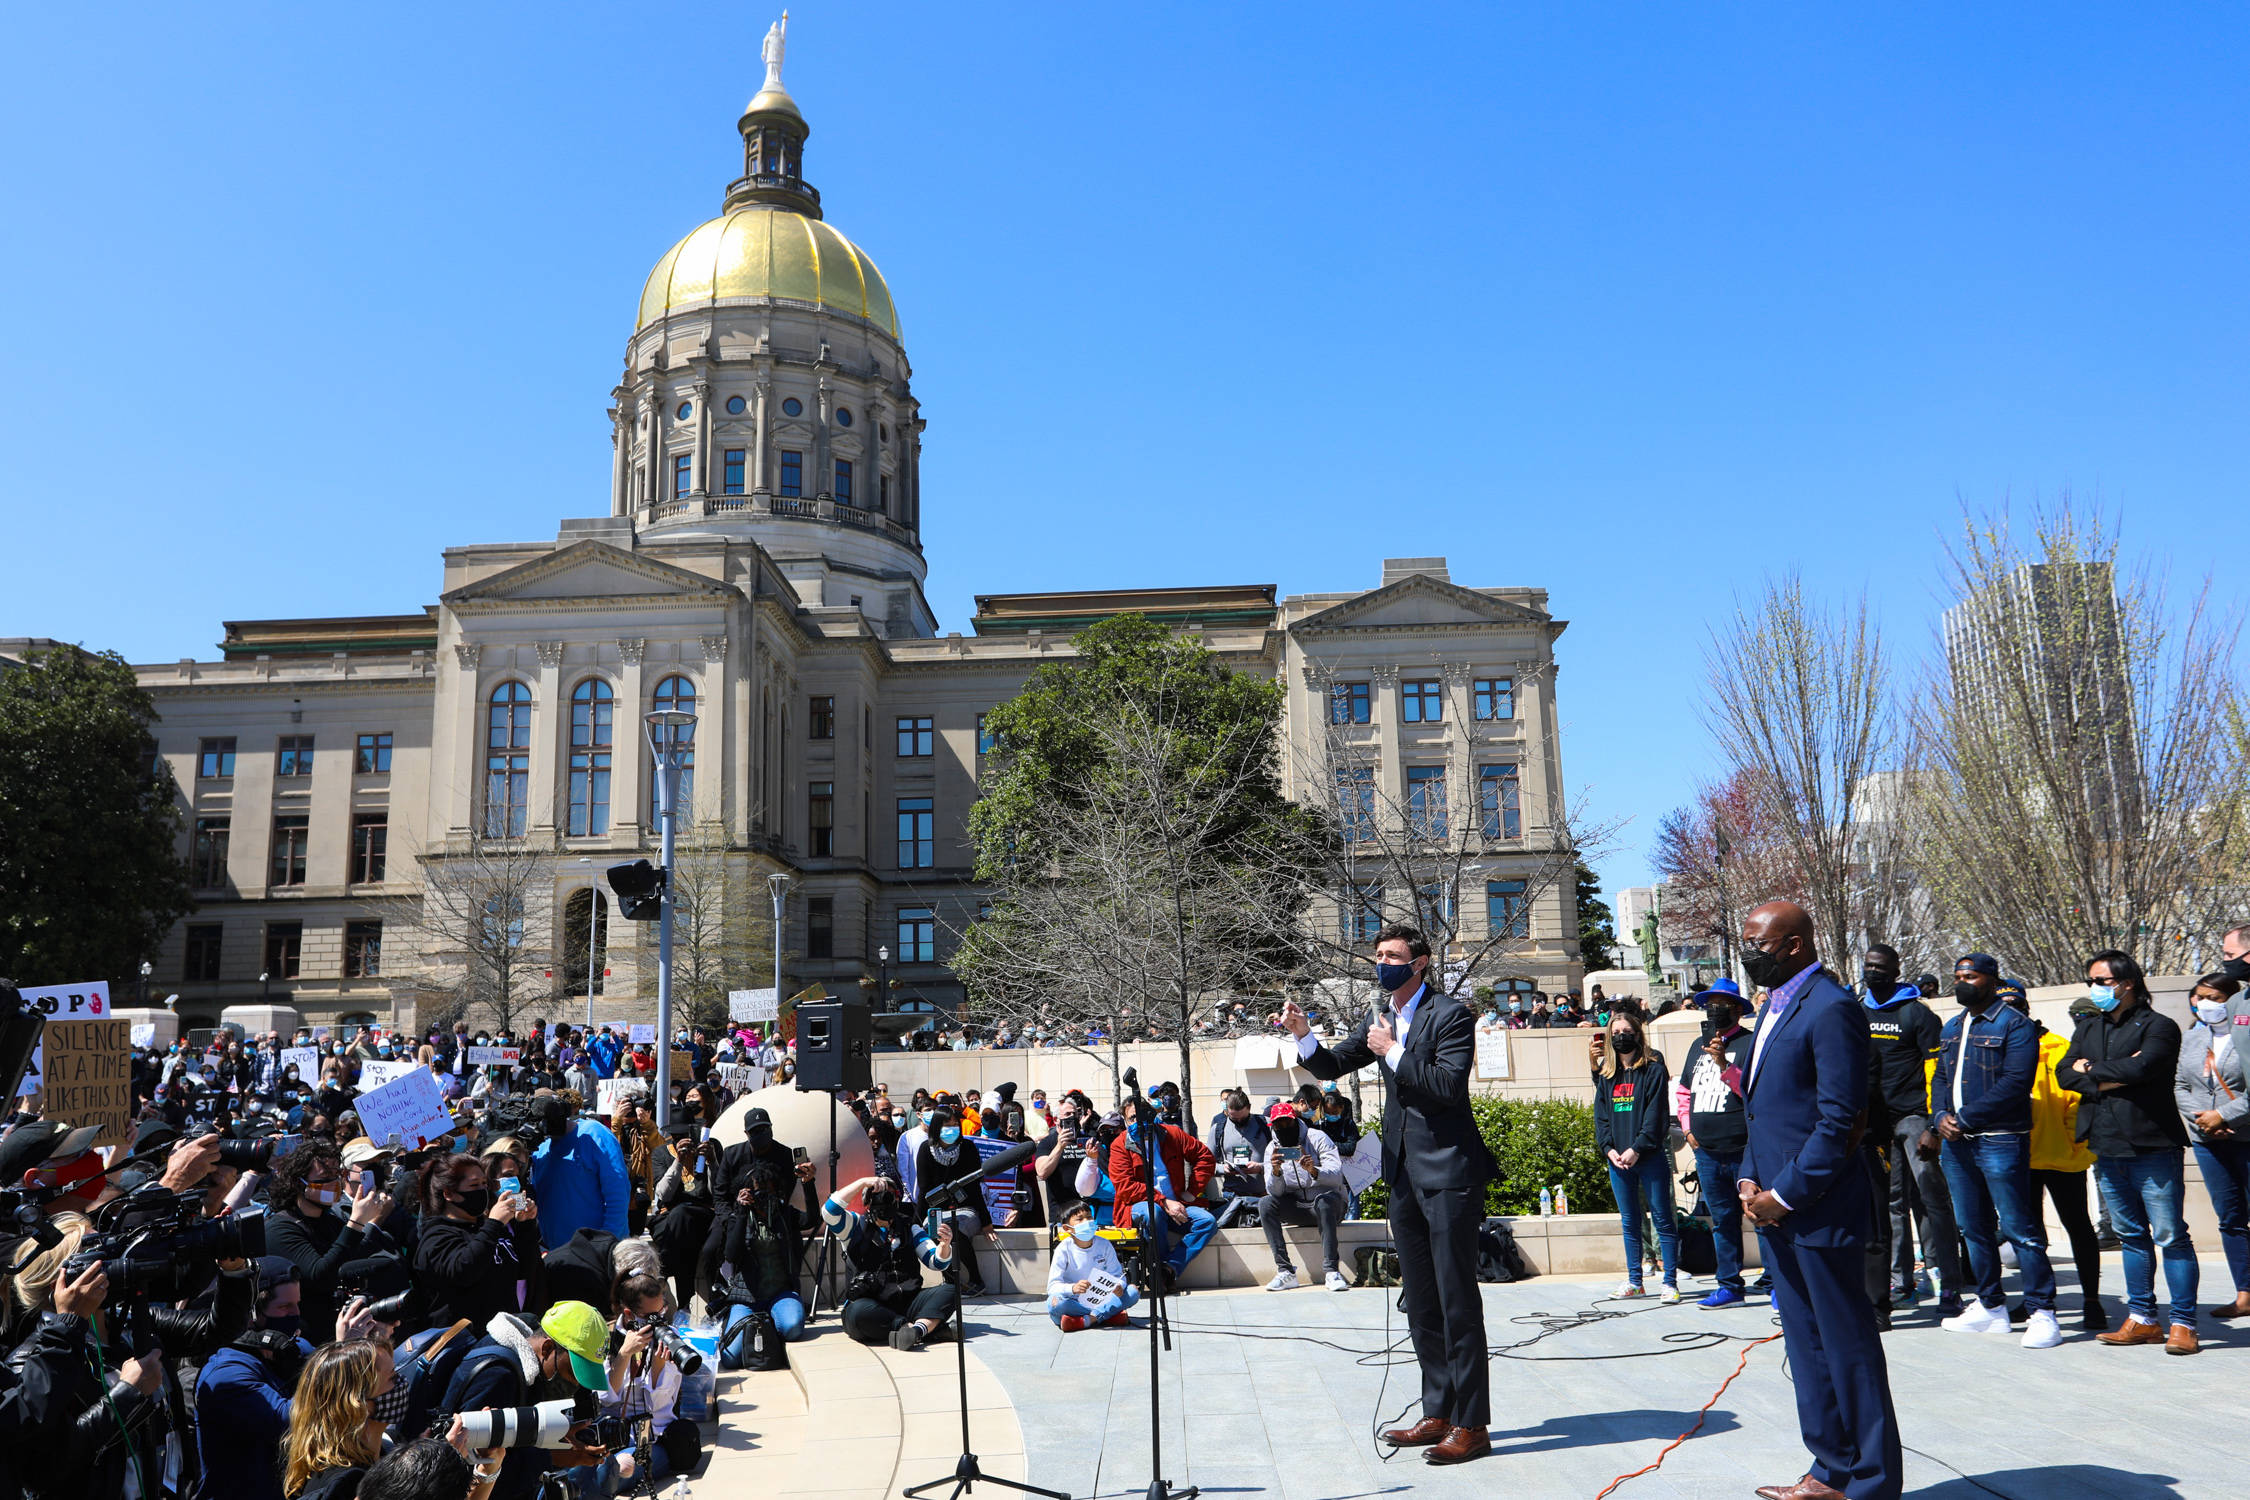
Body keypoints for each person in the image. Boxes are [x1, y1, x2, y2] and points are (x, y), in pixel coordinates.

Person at [1280, 923, 1495, 1467]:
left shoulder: (1449, 1015)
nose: (1382, 963)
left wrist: (1394, 1052)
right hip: (1402, 1177)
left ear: (1419, 963)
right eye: (1377, 954)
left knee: (1457, 1300)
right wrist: (1304, 1035)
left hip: (1448, 1175)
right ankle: (1438, 1410)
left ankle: (1472, 1425)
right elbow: (1333, 1064)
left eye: (1393, 955)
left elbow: (1448, 1086)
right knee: (1420, 1299)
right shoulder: (1380, 1018)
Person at [1732, 900, 1902, 1500]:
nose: (1749, 951)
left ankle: (1872, 1483)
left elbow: (1841, 1122)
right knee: (1806, 1346)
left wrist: (1786, 1193)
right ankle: (1830, 1468)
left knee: (1846, 1346)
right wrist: (1750, 1180)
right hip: (1775, 1208)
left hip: (1819, 1209)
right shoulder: (1774, 1008)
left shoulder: (1831, 1008)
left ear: (1796, 945)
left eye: (1758, 942)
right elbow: (1761, 1112)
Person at [2063, 950, 2196, 1353]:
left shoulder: (2159, 1026)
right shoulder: (2089, 1027)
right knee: (2130, 1237)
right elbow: (2065, 1073)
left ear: (2127, 983)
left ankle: (2184, 1324)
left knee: (2171, 1235)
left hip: (2152, 1145)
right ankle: (2142, 1318)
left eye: (2102, 981)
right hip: (2106, 1146)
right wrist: (2099, 1075)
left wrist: (2093, 1071)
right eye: (2092, 981)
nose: (2095, 989)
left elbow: (2143, 1069)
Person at [1925, 953, 2060, 1349]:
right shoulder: (1953, 1026)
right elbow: (1941, 1078)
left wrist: (1963, 1118)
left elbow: (2015, 1082)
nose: (1963, 982)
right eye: (1958, 976)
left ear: (1991, 979)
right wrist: (1939, 1118)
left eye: (1971, 976)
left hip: (1999, 1137)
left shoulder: (2014, 1025)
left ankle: (2042, 1312)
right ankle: (1991, 1307)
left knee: (2021, 1229)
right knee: (1973, 1229)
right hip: (1957, 1143)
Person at [1858, 946, 1960, 1318]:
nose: (1873, 971)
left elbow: (1938, 1072)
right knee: (1891, 1206)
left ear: (1897, 970)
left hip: (1914, 1118)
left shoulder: (1917, 1013)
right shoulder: (1858, 1009)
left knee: (1932, 1197)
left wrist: (1934, 1123)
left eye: (1881, 967)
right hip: (1873, 1123)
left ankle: (1948, 1282)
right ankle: (1902, 1285)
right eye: (1869, 965)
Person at [2004, 984, 2106, 1331]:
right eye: (2002, 1004)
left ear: (2027, 1006)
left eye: (2015, 1003)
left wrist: (2077, 1145)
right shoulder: (1998, 1047)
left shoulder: (2060, 1048)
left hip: (2063, 1158)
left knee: (2078, 1227)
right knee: (2029, 1235)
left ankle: (2091, 1301)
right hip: (2019, 1159)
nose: (2010, 1010)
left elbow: (2076, 1100)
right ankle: (2036, 1300)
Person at [437, 1302, 614, 1500]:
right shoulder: (500, 1377)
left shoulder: (521, 1366)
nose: (575, 1385)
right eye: (572, 1373)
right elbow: (469, 1464)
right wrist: (554, 1457)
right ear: (547, 1348)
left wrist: (560, 1438)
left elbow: (511, 1438)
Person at [193, 1257, 322, 1500]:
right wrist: (336, 1364)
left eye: (297, 1305)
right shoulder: (226, 1373)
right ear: (252, 1312)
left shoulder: (295, 1348)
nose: (296, 1315)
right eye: (285, 1307)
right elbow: (290, 1420)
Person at [564, 1273, 703, 1496]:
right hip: (611, 1434)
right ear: (629, 1314)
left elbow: (661, 1408)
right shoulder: (605, 1337)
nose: (658, 1322)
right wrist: (624, 1355)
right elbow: (605, 1399)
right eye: (651, 1317)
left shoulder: (671, 1340)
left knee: (623, 1467)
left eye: (662, 1313)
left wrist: (658, 1367)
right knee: (583, 1471)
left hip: (654, 1438)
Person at [267, 1140, 403, 1345]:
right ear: (297, 1182)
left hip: (343, 1333)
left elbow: (356, 1255)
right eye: (323, 1178)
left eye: (336, 1176)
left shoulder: (329, 1220)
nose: (332, 1183)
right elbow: (321, 1275)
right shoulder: (281, 1229)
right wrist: (356, 1222)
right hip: (308, 1340)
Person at [1675, 978, 1755, 1308]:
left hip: (1744, 1151)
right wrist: (1689, 1132)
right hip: (1706, 1151)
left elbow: (1753, 1094)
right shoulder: (1698, 1045)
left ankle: (1780, 1285)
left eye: (1722, 1004)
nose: (1715, 1010)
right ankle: (1730, 1285)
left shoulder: (1750, 1045)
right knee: (1722, 1222)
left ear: (1737, 1009)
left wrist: (1725, 1064)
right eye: (1710, 1003)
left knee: (1761, 1219)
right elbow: (1683, 1091)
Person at [1591, 1009, 1679, 1301]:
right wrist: (1609, 1150)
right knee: (1629, 1221)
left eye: (1626, 1031)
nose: (1620, 1037)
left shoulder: (1653, 1068)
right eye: (1615, 1033)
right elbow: (1601, 1117)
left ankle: (1669, 1282)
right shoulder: (1607, 1073)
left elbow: (1656, 1117)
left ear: (1638, 1034)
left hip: (1649, 1157)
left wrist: (1636, 1148)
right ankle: (1635, 1280)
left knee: (1663, 1218)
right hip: (1618, 1161)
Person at [2177, 971, 2250, 1320]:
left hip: (2245, 1134)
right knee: (2230, 1218)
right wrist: (2201, 1119)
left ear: (2232, 1001)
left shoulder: (2244, 1034)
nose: (2205, 1004)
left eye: (2215, 999)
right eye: (2200, 997)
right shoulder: (2194, 1037)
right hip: (2207, 1140)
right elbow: (2180, 1083)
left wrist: (2223, 1115)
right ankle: (2245, 1293)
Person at [822, 1175, 962, 1350]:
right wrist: (863, 1182)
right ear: (867, 1201)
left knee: (950, 1289)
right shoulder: (854, 1225)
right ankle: (924, 1329)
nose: (885, 1199)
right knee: (857, 1313)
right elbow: (829, 1211)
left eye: (890, 1195)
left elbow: (937, 1262)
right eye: (878, 1194)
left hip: (907, 1302)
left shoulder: (909, 1227)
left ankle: (915, 1332)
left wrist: (944, 1245)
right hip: (873, 1305)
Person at [414, 1153, 547, 1329]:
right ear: (449, 1193)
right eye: (474, 1185)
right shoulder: (437, 1236)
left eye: (484, 1184)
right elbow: (464, 1270)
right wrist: (494, 1224)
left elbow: (526, 1271)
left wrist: (525, 1225)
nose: (482, 1190)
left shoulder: (487, 1228)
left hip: (504, 1336)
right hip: (468, 1345)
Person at [1106, 1091, 1217, 1289]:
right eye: (1132, 1118)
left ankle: (1167, 1269)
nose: (1138, 1122)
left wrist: (1192, 1191)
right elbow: (1125, 1187)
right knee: (1153, 1213)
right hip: (1139, 1207)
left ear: (1151, 1114)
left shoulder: (1171, 1134)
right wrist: (1163, 1201)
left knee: (1206, 1221)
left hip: (1178, 1204)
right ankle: (1159, 1273)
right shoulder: (1119, 1145)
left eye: (1143, 1116)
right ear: (1125, 1120)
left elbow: (1205, 1157)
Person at [714, 1155, 813, 1364]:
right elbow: (731, 1254)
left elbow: (811, 1220)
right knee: (730, 1358)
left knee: (793, 1327)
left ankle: (771, 1326)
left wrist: (808, 1184)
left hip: (780, 1293)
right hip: (747, 1298)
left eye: (768, 1192)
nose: (763, 1198)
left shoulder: (784, 1214)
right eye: (758, 1192)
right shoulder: (739, 1217)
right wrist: (741, 1212)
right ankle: (746, 1323)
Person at [279, 1338, 391, 1500]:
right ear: (358, 1404)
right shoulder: (346, 1485)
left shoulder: (384, 1449)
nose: (403, 1383)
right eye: (392, 1378)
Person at [1259, 1105, 1349, 1291]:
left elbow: (1337, 1175)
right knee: (1265, 1204)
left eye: (1287, 1121)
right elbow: (1274, 1193)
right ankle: (1286, 1271)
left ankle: (1332, 1271)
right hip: (1299, 1207)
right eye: (1278, 1124)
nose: (1284, 1126)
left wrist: (1314, 1170)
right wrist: (1276, 1173)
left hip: (1329, 1205)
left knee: (1324, 1202)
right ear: (1272, 1126)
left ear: (1295, 1119)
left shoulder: (1317, 1138)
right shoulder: (1272, 1149)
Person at [915, 1105, 999, 1296]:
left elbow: (976, 1188)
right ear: (936, 1126)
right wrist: (917, 1221)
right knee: (937, 1227)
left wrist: (986, 1223)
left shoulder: (968, 1148)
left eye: (955, 1124)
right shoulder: (925, 1150)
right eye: (947, 1124)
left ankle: (976, 1280)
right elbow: (924, 1190)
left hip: (965, 1209)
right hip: (937, 1209)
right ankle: (951, 1283)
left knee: (953, 1228)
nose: (952, 1128)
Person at [529, 1093, 632, 1249]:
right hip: (555, 1253)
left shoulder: (594, 1133)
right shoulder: (539, 1148)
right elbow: (527, 1199)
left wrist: (606, 1243)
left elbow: (618, 1194)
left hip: (598, 1251)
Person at [1047, 1203, 1138, 1329]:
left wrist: (1118, 1285)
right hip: (1074, 1302)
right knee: (1055, 1303)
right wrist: (1073, 1288)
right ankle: (1106, 1316)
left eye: (1089, 1217)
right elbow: (1052, 1287)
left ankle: (1086, 1320)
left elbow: (1118, 1275)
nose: (1087, 1221)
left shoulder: (1104, 1244)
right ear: (1067, 1228)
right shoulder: (1063, 1249)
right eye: (1080, 1219)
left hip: (1102, 1299)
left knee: (1133, 1291)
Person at [1207, 1089, 1273, 1228]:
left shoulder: (1266, 1125)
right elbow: (1206, 1164)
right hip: (1232, 1199)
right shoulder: (1218, 1129)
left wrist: (1261, 1167)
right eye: (1233, 1118)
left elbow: (1282, 1161)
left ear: (1249, 1108)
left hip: (1263, 1196)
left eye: (1242, 1118)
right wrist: (1222, 1169)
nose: (1238, 1122)